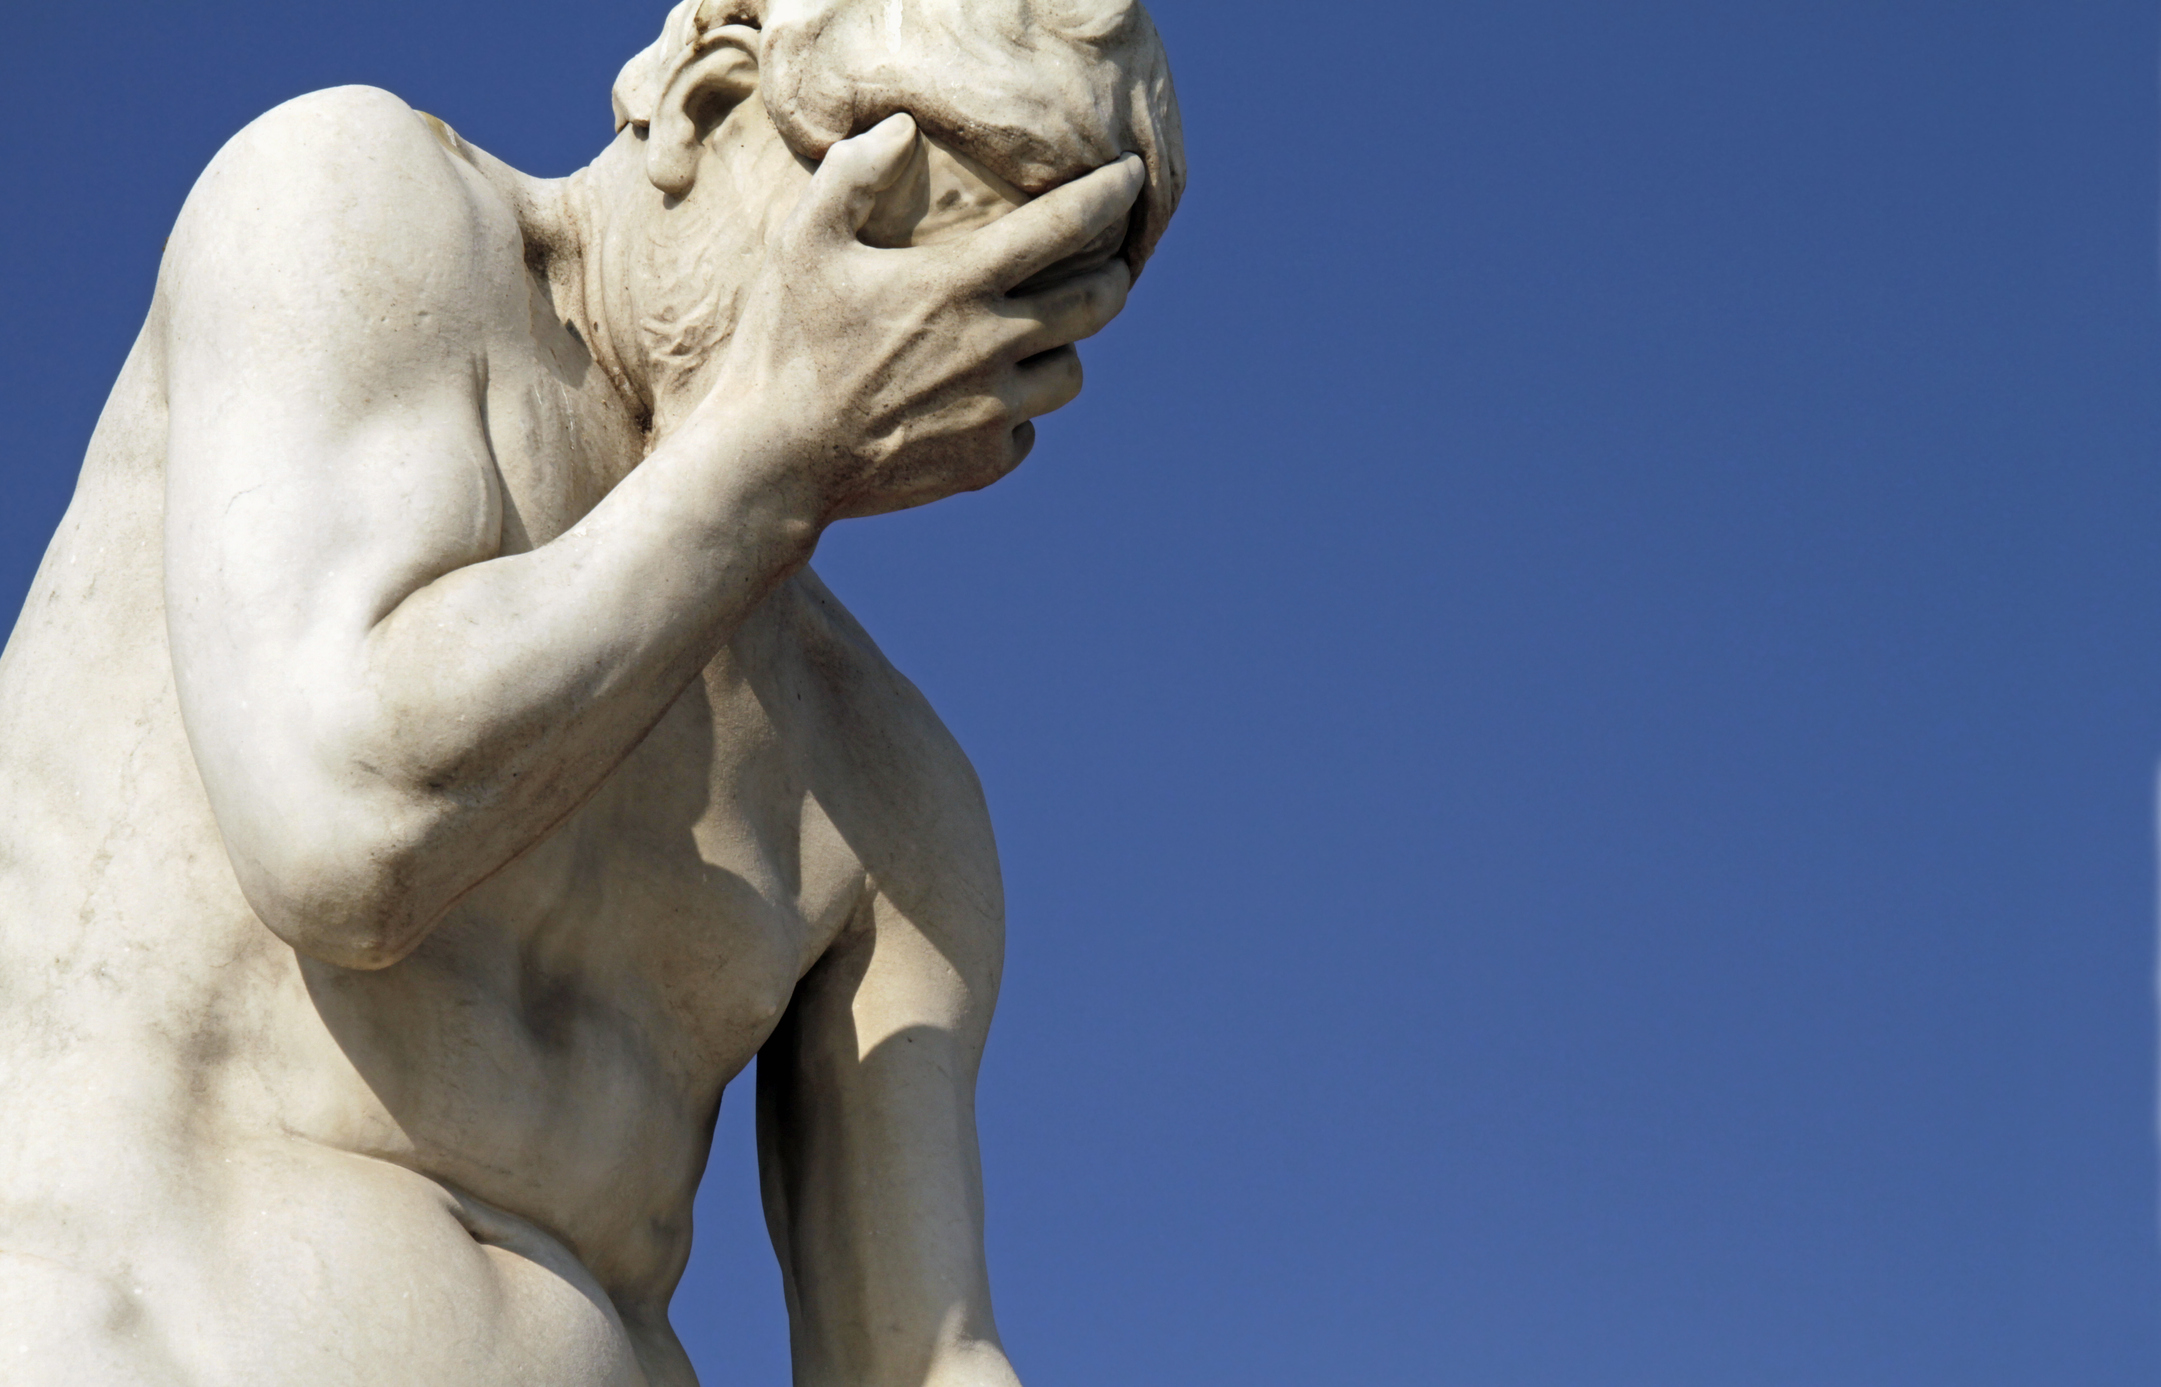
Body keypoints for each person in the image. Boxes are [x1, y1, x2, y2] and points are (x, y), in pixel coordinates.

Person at [0, 1, 1183, 1382]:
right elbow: (339, 827)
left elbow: (917, 1359)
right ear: (703, 104)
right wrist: (767, 458)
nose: (900, 376)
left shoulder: (887, 790)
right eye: (880, 280)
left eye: (985, 338)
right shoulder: (352, 203)